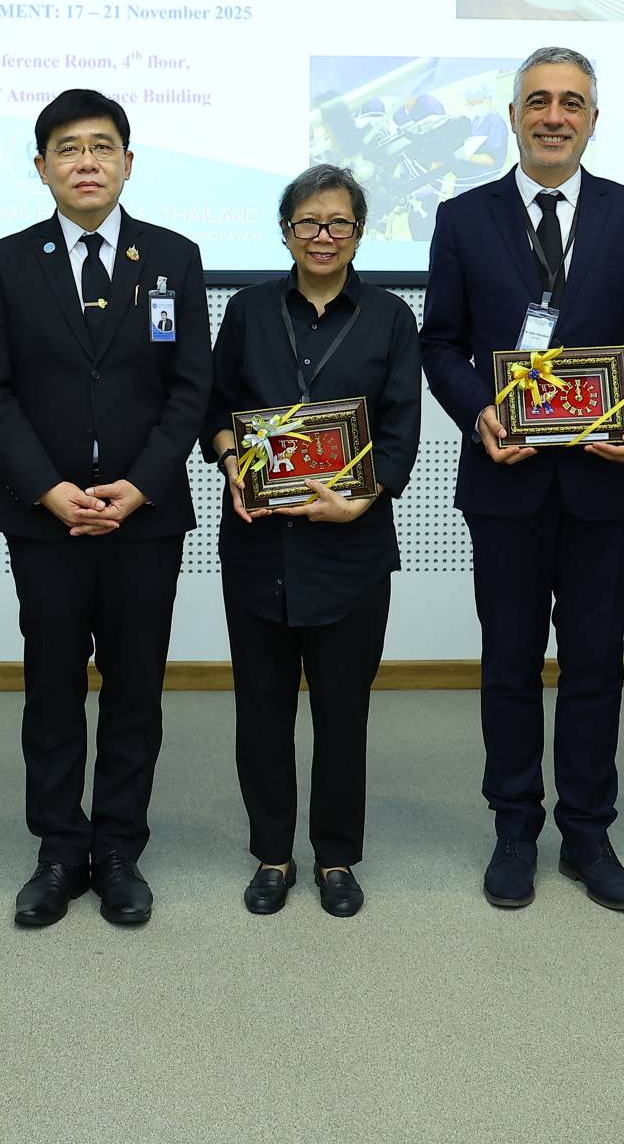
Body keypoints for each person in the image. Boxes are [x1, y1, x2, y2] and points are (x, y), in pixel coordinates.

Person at [419, 46, 624, 912]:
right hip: (507, 478)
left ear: (593, 120)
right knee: (508, 663)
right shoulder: (462, 217)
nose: (554, 116)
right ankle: (513, 830)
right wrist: (478, 413)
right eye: (538, 100)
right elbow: (440, 344)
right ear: (513, 117)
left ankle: (589, 834)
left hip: (607, 480)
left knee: (596, 663)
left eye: (572, 102)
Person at [0, 88, 211, 929]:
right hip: (46, 518)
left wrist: (140, 485)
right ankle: (58, 850)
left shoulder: (174, 257)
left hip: (145, 518)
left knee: (136, 689)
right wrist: (49, 489)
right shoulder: (6, 262)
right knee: (53, 688)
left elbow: (191, 389)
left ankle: (117, 851)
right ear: (41, 167)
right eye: (68, 149)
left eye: (102, 147)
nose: (86, 162)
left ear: (128, 163)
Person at [202, 165, 421, 917]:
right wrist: (233, 462)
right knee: (261, 710)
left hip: (351, 552)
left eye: (339, 223)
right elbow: (217, 409)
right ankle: (272, 853)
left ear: (360, 232)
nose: (323, 236)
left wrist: (362, 498)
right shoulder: (248, 310)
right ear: (285, 230)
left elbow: (401, 431)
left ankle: (335, 857)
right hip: (259, 545)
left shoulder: (391, 317)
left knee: (342, 712)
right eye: (308, 222)